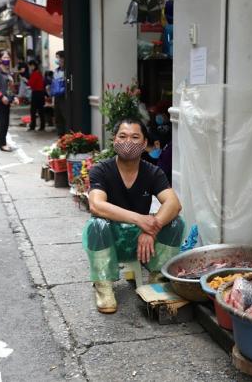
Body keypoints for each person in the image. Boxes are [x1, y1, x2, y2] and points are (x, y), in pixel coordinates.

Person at [83, 118, 185, 314]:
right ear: (114, 140)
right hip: (111, 239)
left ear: (144, 143)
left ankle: (158, 277)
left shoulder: (153, 172)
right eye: (122, 136)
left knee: (175, 223)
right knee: (97, 224)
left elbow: (174, 204)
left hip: (142, 241)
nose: (128, 141)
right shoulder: (101, 170)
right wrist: (140, 219)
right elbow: (96, 205)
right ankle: (103, 285)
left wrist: (152, 228)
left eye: (135, 137)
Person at [0, 50, 19, 151]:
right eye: (4, 58)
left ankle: (1, 143)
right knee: (2, 122)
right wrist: (1, 96)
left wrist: (14, 97)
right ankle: (2, 144)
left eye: (8, 58)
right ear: (0, 59)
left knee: (6, 123)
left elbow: (11, 87)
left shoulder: (8, 71)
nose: (6, 59)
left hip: (7, 101)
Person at [26, 60, 46, 131]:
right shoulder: (39, 73)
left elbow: (31, 83)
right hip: (40, 93)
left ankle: (33, 126)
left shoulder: (35, 73)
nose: (30, 67)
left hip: (36, 93)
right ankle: (42, 126)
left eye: (30, 66)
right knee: (40, 110)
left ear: (33, 66)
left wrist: (26, 81)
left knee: (33, 110)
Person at [52, 50, 68, 136]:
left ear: (63, 59)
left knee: (64, 116)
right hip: (57, 97)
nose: (57, 60)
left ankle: (66, 136)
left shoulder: (67, 71)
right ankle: (60, 137)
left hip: (64, 97)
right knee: (57, 117)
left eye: (57, 58)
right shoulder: (56, 71)